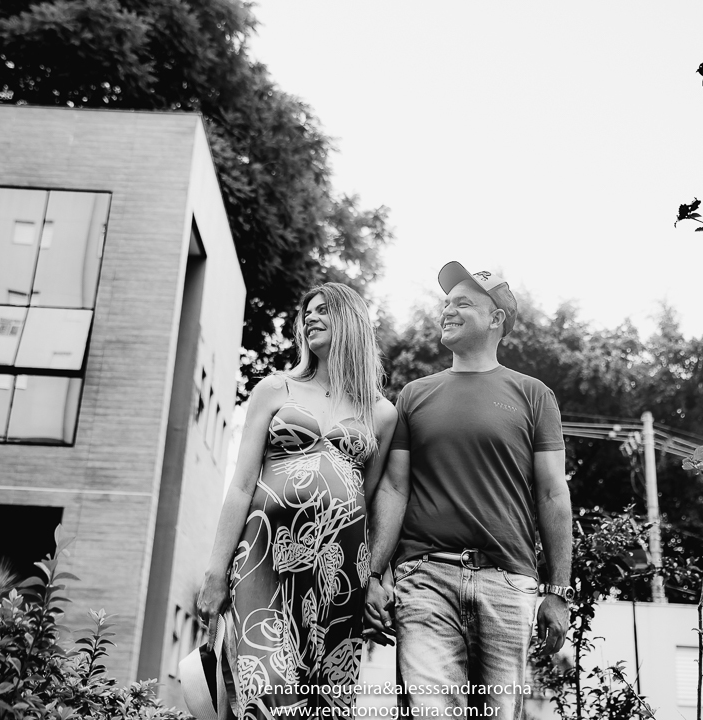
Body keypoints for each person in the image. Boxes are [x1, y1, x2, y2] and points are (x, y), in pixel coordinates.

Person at [365, 261, 573, 720]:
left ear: (496, 318)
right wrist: (374, 575)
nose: (447, 310)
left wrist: (558, 590)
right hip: (424, 578)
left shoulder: (534, 395)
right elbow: (395, 488)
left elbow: (553, 494)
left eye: (462, 303)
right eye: (445, 303)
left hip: (507, 581)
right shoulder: (414, 395)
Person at [197, 282, 397, 718]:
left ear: (350, 321)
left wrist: (376, 577)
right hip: (264, 557)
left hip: (339, 575)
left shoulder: (381, 413)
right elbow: (241, 485)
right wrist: (215, 570)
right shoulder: (275, 389)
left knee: (326, 702)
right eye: (307, 313)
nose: (310, 319)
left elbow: (369, 499)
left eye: (323, 310)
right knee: (267, 691)